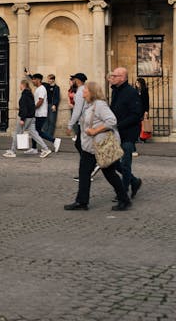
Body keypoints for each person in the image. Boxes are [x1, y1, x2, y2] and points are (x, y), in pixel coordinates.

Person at [64, 81, 131, 212]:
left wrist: (95, 131)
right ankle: (82, 202)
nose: (82, 93)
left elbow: (112, 121)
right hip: (89, 147)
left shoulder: (100, 105)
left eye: (85, 90)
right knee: (84, 173)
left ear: (92, 92)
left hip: (100, 146)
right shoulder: (90, 104)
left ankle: (124, 199)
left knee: (110, 173)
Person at [108, 67, 143, 200]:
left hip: (128, 133)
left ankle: (123, 192)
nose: (112, 78)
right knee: (114, 163)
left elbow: (136, 115)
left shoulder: (131, 92)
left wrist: (118, 125)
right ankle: (134, 181)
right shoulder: (115, 91)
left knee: (125, 163)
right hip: (116, 132)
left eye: (115, 76)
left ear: (122, 78)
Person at [3, 78, 51, 158]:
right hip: (32, 117)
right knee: (34, 134)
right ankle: (46, 149)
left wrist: (22, 119)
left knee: (17, 133)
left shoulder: (24, 95)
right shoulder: (30, 94)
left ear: (22, 85)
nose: (19, 86)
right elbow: (31, 106)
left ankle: (12, 151)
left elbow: (24, 108)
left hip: (26, 118)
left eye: (20, 85)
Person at [67, 72, 88, 155]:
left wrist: (70, 125)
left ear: (78, 81)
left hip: (84, 122)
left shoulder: (80, 92)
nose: (72, 81)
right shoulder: (84, 89)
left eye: (74, 80)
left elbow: (77, 111)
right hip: (85, 121)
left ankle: (91, 162)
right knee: (82, 144)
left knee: (79, 144)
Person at [42, 74, 61, 151]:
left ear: (53, 80)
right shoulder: (46, 85)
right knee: (45, 120)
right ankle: (46, 135)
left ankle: (50, 136)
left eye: (49, 79)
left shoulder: (56, 88)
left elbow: (57, 97)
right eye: (48, 79)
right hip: (45, 105)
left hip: (52, 106)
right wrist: (29, 74)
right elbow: (37, 81)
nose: (48, 81)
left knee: (52, 121)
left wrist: (54, 105)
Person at [135, 77, 150, 146]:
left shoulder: (145, 90)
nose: (136, 83)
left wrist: (146, 111)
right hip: (136, 110)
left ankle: (143, 138)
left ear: (141, 83)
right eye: (136, 82)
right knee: (137, 124)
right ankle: (137, 137)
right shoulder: (135, 91)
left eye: (138, 82)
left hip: (143, 110)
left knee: (143, 124)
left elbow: (147, 101)